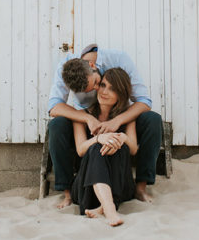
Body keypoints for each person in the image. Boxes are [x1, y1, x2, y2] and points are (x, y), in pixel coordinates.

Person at [47, 43, 162, 208]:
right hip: (87, 120)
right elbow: (54, 106)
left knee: (152, 119)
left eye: (96, 83)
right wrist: (86, 118)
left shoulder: (119, 58)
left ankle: (141, 187)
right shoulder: (66, 67)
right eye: (88, 90)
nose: (97, 90)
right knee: (57, 125)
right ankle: (67, 193)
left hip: (119, 116)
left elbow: (144, 101)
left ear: (92, 66)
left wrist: (117, 122)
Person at [71, 67, 137, 226]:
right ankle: (109, 209)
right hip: (86, 188)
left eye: (112, 89)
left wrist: (120, 137)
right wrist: (100, 138)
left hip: (120, 186)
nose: (104, 91)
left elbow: (133, 148)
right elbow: (80, 150)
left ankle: (104, 207)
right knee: (95, 147)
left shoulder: (126, 117)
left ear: (121, 94)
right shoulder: (83, 115)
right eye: (103, 85)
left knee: (120, 145)